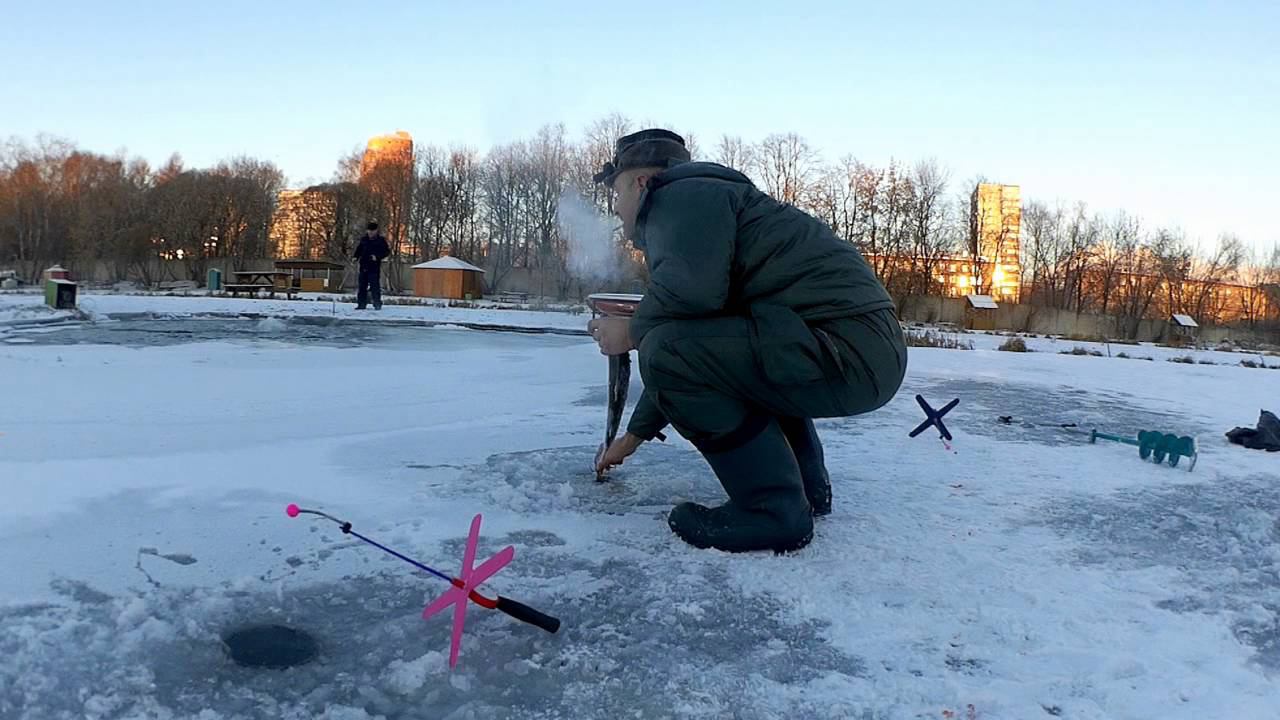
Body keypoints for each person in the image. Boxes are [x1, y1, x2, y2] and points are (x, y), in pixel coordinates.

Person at [587, 129, 907, 554]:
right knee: (708, 352)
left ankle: (772, 511)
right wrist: (634, 436)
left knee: (665, 349)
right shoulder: (712, 201)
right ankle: (807, 488)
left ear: (641, 182)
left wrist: (630, 333)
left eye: (617, 193)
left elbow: (683, 321)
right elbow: (707, 346)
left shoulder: (678, 197)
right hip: (858, 350)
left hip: (845, 350)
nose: (616, 209)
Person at [353, 221, 390, 310]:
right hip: (363, 265)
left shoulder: (381, 240)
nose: (370, 232)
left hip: (374, 267)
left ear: (376, 231)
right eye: (369, 230)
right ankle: (361, 304)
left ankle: (377, 304)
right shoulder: (364, 240)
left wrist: (377, 257)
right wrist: (355, 257)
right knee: (362, 286)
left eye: (372, 231)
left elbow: (386, 252)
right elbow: (359, 249)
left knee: (374, 286)